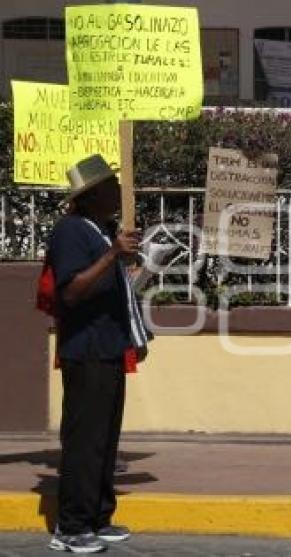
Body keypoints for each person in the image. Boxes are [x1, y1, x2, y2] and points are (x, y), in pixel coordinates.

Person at [47, 154, 149, 553]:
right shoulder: (71, 231)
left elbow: (113, 287)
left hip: (107, 346)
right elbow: (71, 291)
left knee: (105, 440)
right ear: (90, 196)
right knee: (84, 441)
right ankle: (71, 527)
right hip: (85, 350)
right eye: (110, 187)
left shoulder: (100, 228)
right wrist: (111, 255)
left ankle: (98, 516)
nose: (118, 193)